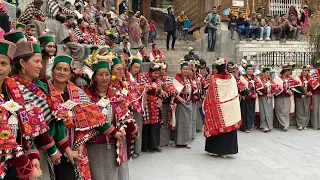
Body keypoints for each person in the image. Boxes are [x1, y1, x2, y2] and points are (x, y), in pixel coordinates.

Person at [11, 41, 63, 180]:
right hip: (26, 152)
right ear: (22, 63)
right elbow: (28, 125)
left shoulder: (41, 86)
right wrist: (48, 150)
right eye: (37, 61)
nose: (40, 65)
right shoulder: (14, 89)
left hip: (44, 149)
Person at [0, 40, 44, 180]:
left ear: (10, 67)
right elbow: (3, 135)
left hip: (13, 162)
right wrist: (28, 170)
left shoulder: (11, 89)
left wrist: (31, 153)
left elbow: (25, 124)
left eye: (3, 63)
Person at [84, 57, 128, 180]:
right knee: (96, 174)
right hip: (93, 143)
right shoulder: (86, 95)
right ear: (94, 77)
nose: (104, 78)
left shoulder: (116, 94)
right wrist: (114, 131)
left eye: (107, 74)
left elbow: (123, 115)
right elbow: (92, 118)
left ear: (111, 76)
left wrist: (123, 127)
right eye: (100, 75)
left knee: (111, 174)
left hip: (113, 143)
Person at [203, 58, 241, 158]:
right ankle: (226, 151)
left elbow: (210, 95)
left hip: (217, 108)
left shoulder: (213, 78)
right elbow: (234, 92)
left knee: (217, 128)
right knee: (228, 128)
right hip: (229, 107)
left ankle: (215, 150)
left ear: (216, 68)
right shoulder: (231, 78)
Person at [140, 63, 166, 152]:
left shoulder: (158, 81)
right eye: (155, 73)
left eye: (158, 73)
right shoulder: (143, 78)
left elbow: (160, 92)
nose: (156, 75)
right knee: (146, 125)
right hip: (147, 105)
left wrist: (159, 98)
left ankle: (155, 145)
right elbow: (147, 89)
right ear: (150, 72)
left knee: (155, 125)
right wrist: (158, 91)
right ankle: (146, 146)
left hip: (155, 106)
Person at [172, 60, 195, 149]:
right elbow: (174, 91)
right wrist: (178, 97)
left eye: (187, 69)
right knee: (179, 122)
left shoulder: (190, 79)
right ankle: (177, 141)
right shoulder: (177, 79)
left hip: (188, 103)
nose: (185, 71)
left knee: (187, 122)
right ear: (181, 70)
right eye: (184, 69)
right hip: (180, 104)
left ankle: (187, 141)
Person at [274, 64, 301, 131]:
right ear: (286, 71)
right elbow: (275, 86)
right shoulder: (278, 77)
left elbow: (297, 83)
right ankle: (283, 124)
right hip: (279, 96)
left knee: (286, 112)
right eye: (289, 71)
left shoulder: (290, 78)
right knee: (280, 111)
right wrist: (285, 90)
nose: (290, 72)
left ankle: (285, 125)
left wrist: (294, 88)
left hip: (287, 97)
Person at [158, 63, 178, 147]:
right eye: (160, 69)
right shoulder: (155, 79)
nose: (162, 71)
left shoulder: (169, 79)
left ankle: (165, 141)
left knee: (165, 122)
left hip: (166, 103)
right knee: (158, 122)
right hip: (157, 103)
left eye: (163, 69)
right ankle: (158, 142)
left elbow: (173, 90)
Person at [239, 64, 263, 133]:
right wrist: (250, 94)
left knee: (250, 112)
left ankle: (248, 126)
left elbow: (259, 86)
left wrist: (256, 93)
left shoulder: (254, 78)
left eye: (251, 69)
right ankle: (244, 127)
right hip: (245, 97)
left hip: (252, 98)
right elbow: (242, 87)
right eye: (248, 69)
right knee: (244, 112)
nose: (249, 71)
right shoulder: (242, 77)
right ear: (245, 70)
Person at [257, 67, 281, 132]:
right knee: (263, 112)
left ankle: (269, 125)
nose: (268, 74)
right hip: (262, 98)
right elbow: (258, 88)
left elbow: (276, 87)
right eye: (267, 73)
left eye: (269, 73)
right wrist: (265, 93)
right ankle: (263, 126)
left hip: (269, 98)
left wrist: (273, 93)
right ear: (263, 73)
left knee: (269, 112)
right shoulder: (260, 80)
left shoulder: (270, 80)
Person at [295, 65, 312, 130]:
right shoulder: (297, 78)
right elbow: (296, 87)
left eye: (306, 70)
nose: (304, 72)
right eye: (303, 70)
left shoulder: (310, 78)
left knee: (306, 110)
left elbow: (313, 87)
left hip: (307, 96)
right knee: (299, 110)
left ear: (308, 71)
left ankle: (305, 124)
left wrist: (310, 92)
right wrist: (303, 92)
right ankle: (299, 124)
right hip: (299, 96)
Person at [310, 62, 320, 130]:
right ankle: (316, 125)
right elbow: (313, 83)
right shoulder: (315, 72)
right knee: (316, 109)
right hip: (316, 93)